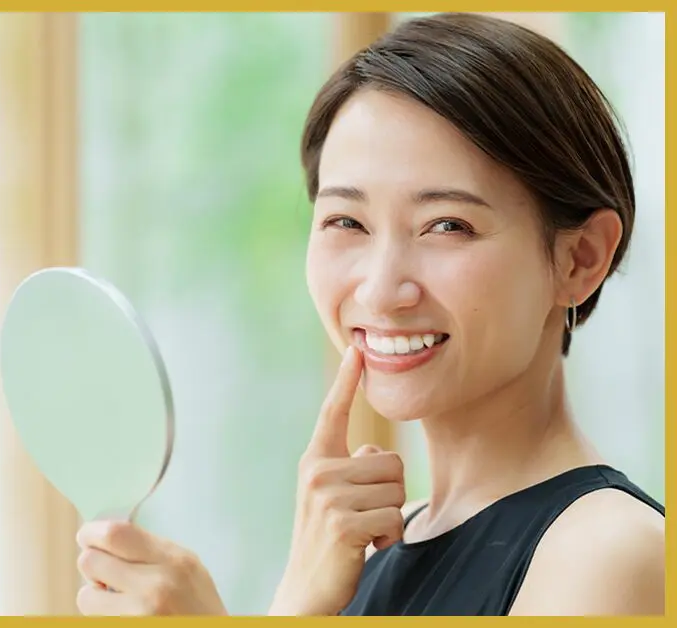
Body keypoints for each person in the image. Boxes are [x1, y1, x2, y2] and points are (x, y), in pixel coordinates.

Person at [73, 12, 665, 616]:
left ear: (580, 259)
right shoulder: (365, 547)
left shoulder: (609, 553)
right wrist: (299, 601)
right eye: (346, 222)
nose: (381, 292)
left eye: (447, 226)